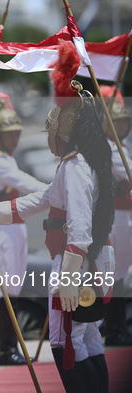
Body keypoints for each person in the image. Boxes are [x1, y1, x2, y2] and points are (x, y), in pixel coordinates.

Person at [0, 41, 114, 393]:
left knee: (66, 343)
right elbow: (38, 200)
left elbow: (78, 228)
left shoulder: (77, 167)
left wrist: (68, 277)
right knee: (87, 337)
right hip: (89, 261)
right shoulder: (77, 165)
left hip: (77, 262)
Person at [0, 89, 47, 365]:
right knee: (5, 289)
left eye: (16, 132)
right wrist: (56, 191)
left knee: (13, 289)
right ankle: (5, 349)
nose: (14, 137)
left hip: (15, 225)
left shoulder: (6, 156)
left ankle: (12, 346)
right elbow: (27, 183)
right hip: (2, 229)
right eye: (9, 133)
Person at [99, 86, 132, 346]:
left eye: (124, 121)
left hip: (124, 215)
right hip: (116, 216)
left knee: (119, 272)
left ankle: (116, 325)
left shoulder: (120, 146)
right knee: (116, 273)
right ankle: (114, 327)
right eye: (117, 121)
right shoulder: (111, 148)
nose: (121, 125)